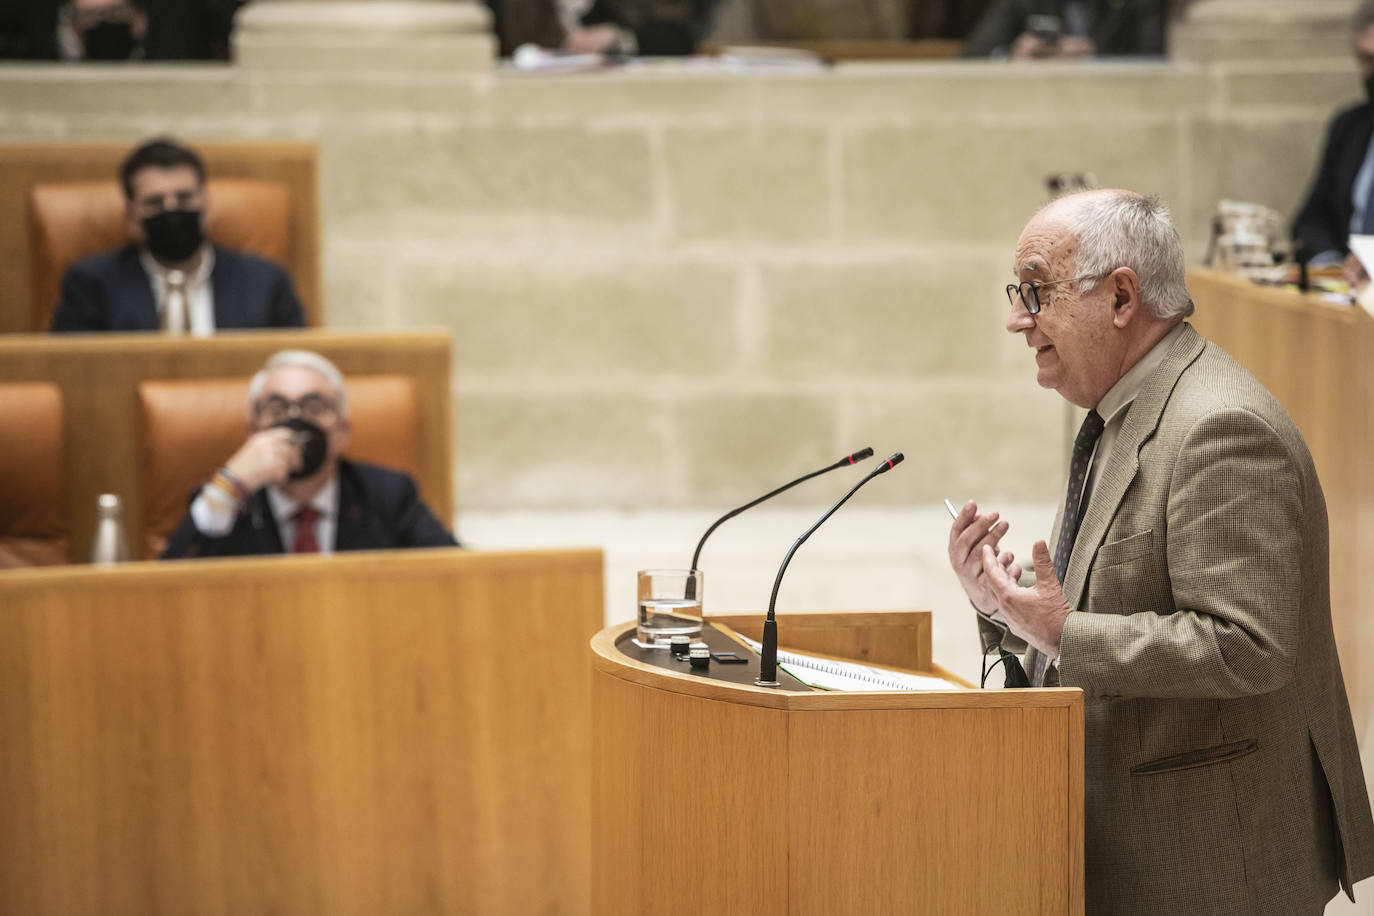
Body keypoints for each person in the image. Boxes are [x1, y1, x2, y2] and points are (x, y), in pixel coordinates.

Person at [947, 189, 1374, 913]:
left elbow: (1249, 645)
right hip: (1143, 834)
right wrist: (1003, 606)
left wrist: (1057, 629)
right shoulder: (1125, 407)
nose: (1018, 319)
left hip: (1210, 858)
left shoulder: (1220, 428)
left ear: (1121, 297)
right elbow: (1109, 596)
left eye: (1036, 290)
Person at [162, 350, 458, 559]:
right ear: (253, 433)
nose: (295, 423)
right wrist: (228, 488)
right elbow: (168, 591)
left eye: (314, 408)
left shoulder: (387, 495)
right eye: (277, 410)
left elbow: (458, 573)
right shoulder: (228, 501)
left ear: (342, 432)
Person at [49, 137, 305, 334]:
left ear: (205, 204)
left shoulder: (265, 282)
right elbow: (73, 371)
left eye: (184, 198)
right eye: (155, 203)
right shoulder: (91, 286)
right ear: (130, 216)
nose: (171, 210)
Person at [1293, 0, 1374, 288]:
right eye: (1366, 59)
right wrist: (1331, 269)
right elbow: (1311, 220)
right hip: (1343, 293)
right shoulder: (1350, 126)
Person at [960, 0, 1167, 59]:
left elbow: (1157, 59)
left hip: (1115, 110)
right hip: (1035, 106)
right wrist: (1013, 56)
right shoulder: (1022, 2)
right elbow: (971, 56)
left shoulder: (1138, 3)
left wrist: (1094, 57)